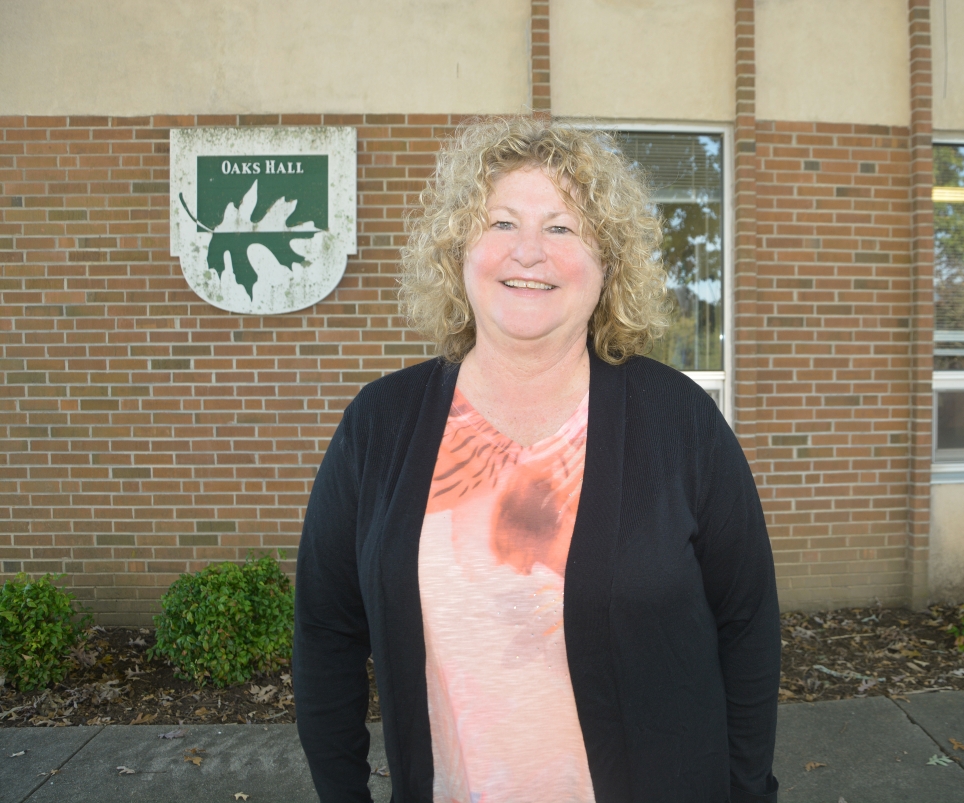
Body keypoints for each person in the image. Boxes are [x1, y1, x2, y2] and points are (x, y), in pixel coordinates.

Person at [293, 117, 780, 803]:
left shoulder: (681, 422)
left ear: (606, 262)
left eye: (561, 228)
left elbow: (749, 627)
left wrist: (747, 790)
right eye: (499, 224)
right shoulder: (379, 424)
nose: (529, 253)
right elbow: (325, 629)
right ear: (458, 252)